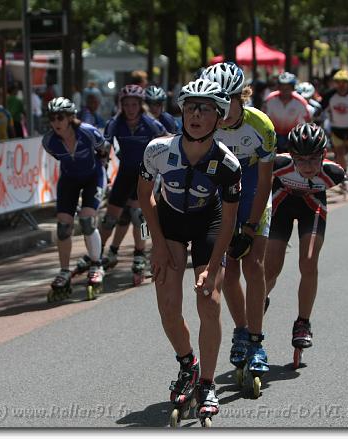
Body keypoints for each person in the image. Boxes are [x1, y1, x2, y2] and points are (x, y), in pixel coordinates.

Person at [138, 78, 240, 426]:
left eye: (205, 109)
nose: (196, 115)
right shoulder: (157, 150)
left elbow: (229, 222)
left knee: (208, 300)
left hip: (208, 223)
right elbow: (145, 196)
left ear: (218, 117)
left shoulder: (228, 164)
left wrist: (212, 268)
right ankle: (188, 365)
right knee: (168, 306)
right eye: (191, 107)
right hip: (169, 222)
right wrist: (157, 244)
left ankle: (208, 385)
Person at [201, 62, 274, 387]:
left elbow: (266, 179)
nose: (220, 108)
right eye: (214, 101)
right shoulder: (207, 125)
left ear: (240, 96)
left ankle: (257, 341)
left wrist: (251, 226)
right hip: (223, 194)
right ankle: (242, 331)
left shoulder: (260, 124)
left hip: (253, 192)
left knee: (254, 265)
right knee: (229, 272)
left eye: (226, 100)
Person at [263, 123, 346, 369]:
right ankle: (261, 297)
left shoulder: (335, 173)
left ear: (324, 155)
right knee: (271, 268)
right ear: (291, 156)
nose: (308, 166)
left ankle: (303, 322)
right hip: (281, 208)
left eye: (313, 160)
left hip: (312, 210)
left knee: (309, 262)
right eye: (301, 160)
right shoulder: (278, 164)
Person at [96, 85, 167, 285]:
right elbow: (105, 146)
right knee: (110, 219)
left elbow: (167, 141)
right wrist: (102, 161)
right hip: (125, 173)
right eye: (126, 104)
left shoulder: (150, 123)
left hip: (144, 174)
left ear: (140, 105)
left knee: (139, 217)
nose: (130, 109)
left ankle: (140, 254)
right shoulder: (115, 123)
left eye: (134, 104)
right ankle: (97, 254)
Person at [41, 97, 108, 302]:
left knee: (87, 221)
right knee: (63, 227)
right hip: (69, 179)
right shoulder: (49, 141)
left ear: (70, 117)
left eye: (60, 117)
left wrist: (104, 170)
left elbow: (103, 149)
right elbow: (57, 157)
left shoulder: (88, 132)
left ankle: (96, 264)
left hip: (93, 176)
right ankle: (64, 271)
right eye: (52, 118)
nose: (56, 122)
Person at [262, 72, 311, 153]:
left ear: (293, 88)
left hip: (294, 135)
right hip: (273, 135)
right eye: (282, 87)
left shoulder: (301, 102)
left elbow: (308, 120)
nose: (285, 91)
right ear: (278, 87)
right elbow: (263, 118)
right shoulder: (270, 99)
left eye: (288, 88)